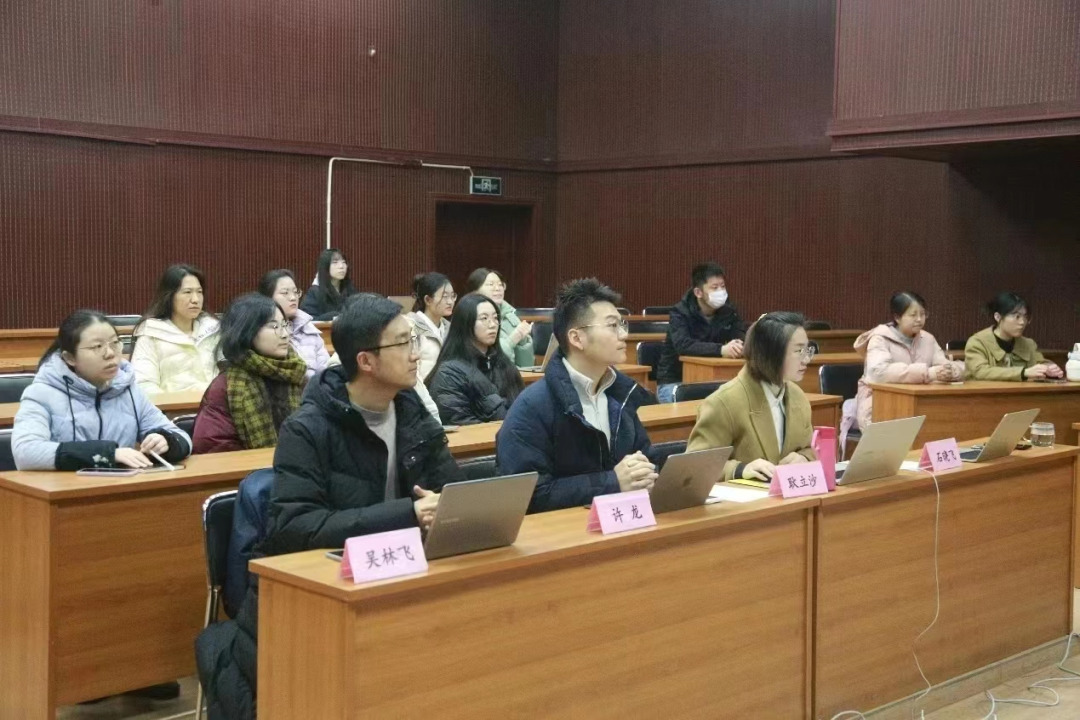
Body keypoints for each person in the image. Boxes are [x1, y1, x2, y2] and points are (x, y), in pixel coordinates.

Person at [195, 293, 463, 718]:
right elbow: (296, 527)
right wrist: (407, 515)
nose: (416, 354)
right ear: (366, 361)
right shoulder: (308, 429)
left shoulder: (412, 412)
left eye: (414, 340)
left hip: (399, 575)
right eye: (403, 343)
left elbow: (448, 489)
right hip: (315, 592)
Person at [497, 278, 660, 513]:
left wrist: (647, 475)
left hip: (624, 521)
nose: (624, 334)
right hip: (563, 531)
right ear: (576, 338)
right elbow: (528, 494)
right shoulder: (532, 407)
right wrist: (612, 482)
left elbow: (647, 459)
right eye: (612, 325)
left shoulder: (622, 394)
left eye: (622, 324)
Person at [13, 309, 192, 471]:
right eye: (97, 347)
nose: (110, 353)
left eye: (115, 343)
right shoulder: (42, 394)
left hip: (120, 488)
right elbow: (25, 452)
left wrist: (166, 441)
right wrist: (107, 454)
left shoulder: (127, 389)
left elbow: (182, 437)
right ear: (69, 358)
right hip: (67, 491)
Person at [687, 312, 817, 483]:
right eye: (799, 351)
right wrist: (739, 469)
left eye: (808, 350)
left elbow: (808, 448)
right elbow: (694, 466)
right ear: (771, 353)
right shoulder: (723, 402)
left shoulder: (798, 396)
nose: (807, 359)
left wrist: (804, 458)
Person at [192, 294, 308, 454]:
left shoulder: (296, 374)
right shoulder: (226, 386)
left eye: (285, 324)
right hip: (251, 468)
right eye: (274, 326)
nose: (285, 334)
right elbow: (213, 445)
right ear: (247, 331)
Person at [852, 292, 963, 430]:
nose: (919, 319)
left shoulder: (928, 339)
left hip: (919, 401)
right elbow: (878, 372)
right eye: (913, 315)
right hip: (880, 403)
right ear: (897, 317)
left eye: (922, 314)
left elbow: (943, 363)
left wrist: (951, 372)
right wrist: (928, 373)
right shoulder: (879, 339)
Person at [426, 293, 524, 425]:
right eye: (484, 318)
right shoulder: (448, 374)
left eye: (495, 318)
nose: (493, 324)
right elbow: (459, 424)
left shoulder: (505, 366)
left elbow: (523, 412)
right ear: (466, 323)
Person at [656, 262, 747, 403]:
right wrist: (721, 350)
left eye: (723, 286)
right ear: (698, 292)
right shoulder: (680, 312)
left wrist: (739, 345)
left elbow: (740, 336)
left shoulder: (729, 311)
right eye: (714, 288)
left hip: (715, 381)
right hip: (675, 381)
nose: (721, 292)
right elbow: (684, 345)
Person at [130, 264, 221, 395]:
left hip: (215, 406)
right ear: (170, 296)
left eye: (199, 292)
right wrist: (172, 403)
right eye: (187, 292)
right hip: (172, 407)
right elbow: (144, 384)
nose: (195, 299)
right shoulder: (151, 333)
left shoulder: (214, 329)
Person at [965, 292, 1063, 381]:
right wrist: (1023, 372)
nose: (1022, 322)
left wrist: (1048, 368)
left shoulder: (1028, 344)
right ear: (998, 317)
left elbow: (1039, 362)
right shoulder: (977, 342)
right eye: (1017, 317)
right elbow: (981, 371)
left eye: (1025, 317)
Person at [258, 269, 330, 377]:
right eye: (285, 293)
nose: (293, 297)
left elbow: (326, 371)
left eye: (295, 292)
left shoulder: (308, 328)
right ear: (267, 297)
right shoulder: (262, 330)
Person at [467, 267, 535, 367]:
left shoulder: (511, 317)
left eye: (500, 284)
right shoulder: (470, 317)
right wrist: (512, 340)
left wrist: (523, 341)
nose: (498, 288)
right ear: (475, 291)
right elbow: (487, 361)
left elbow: (527, 366)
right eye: (491, 284)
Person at [407, 272, 455, 379]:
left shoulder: (451, 328)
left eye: (453, 296)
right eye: (444, 296)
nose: (450, 302)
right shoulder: (411, 326)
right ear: (428, 300)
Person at [299, 247, 356, 320]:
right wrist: (331, 316)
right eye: (335, 262)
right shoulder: (315, 292)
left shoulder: (350, 289)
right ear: (325, 266)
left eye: (344, 262)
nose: (341, 266)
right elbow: (307, 320)